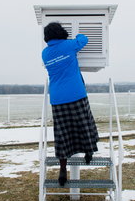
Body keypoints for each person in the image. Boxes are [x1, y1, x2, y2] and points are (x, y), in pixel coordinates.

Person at [42, 22, 99, 186]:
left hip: (58, 99)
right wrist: (77, 34)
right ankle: (88, 152)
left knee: (62, 134)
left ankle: (62, 170)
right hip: (76, 94)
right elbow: (83, 39)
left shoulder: (45, 53)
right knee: (84, 125)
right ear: (60, 32)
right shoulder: (69, 45)